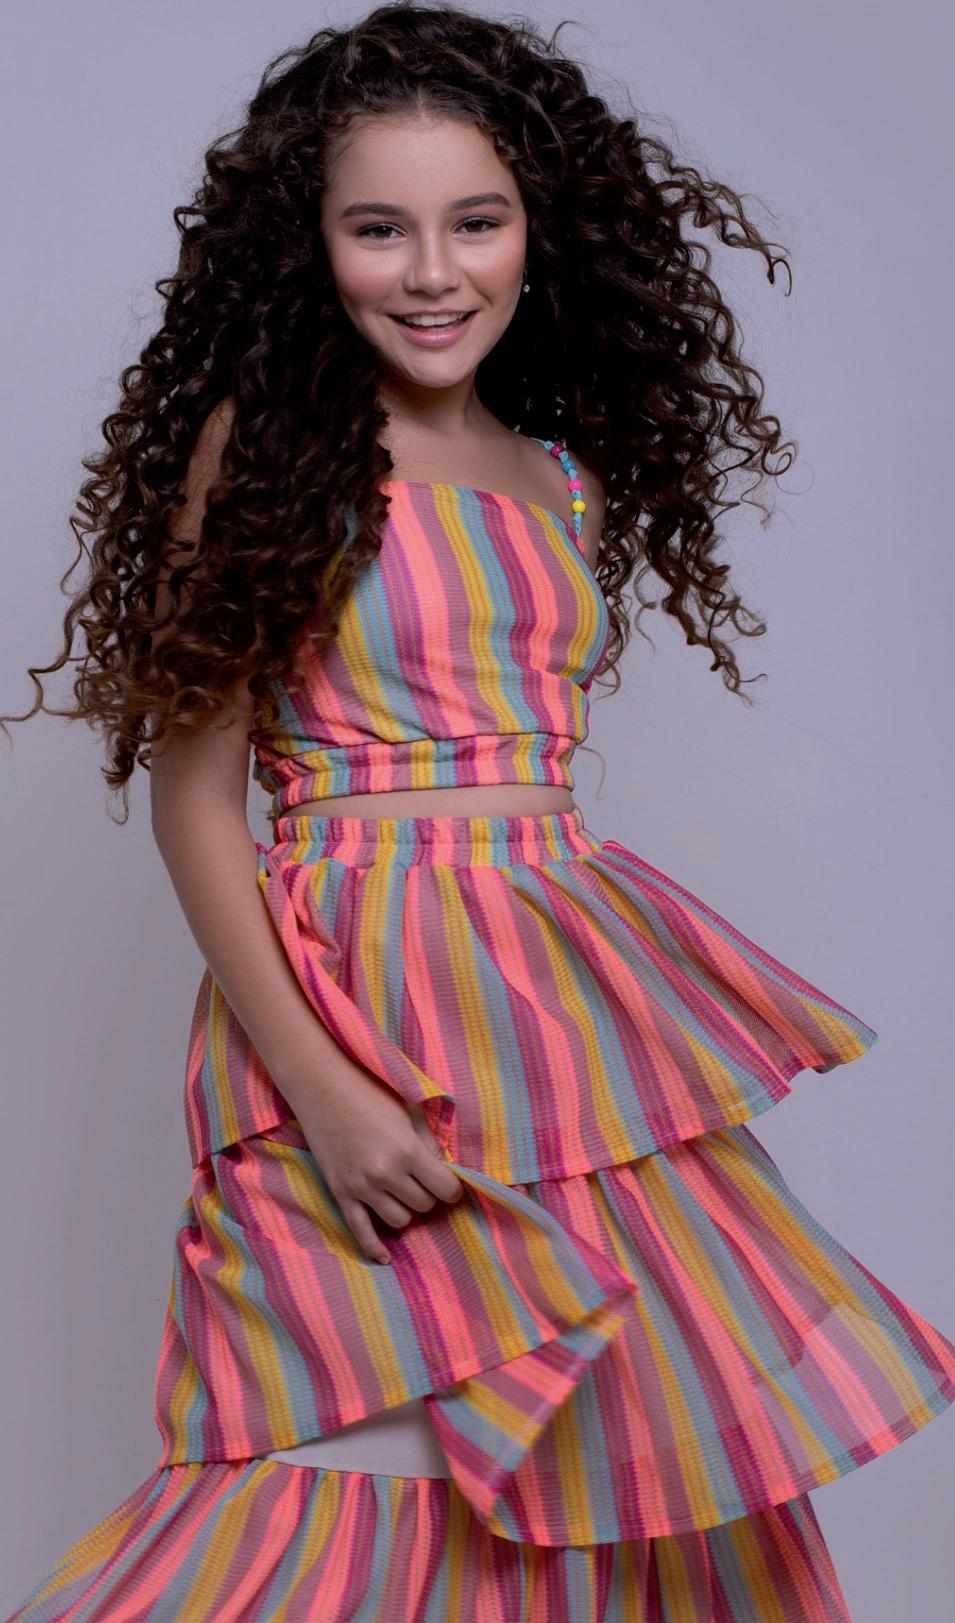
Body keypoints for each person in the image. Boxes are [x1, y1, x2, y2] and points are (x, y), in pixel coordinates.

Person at [4, 4, 954, 1618]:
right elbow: (194, 797)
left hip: (567, 1034)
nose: (433, 270)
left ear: (540, 232)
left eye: (477, 221)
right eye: (379, 227)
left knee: (629, 1479)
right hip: (358, 1016)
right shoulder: (271, 452)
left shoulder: (555, 476)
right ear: (310, 245)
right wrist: (326, 1095)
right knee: (328, 1468)